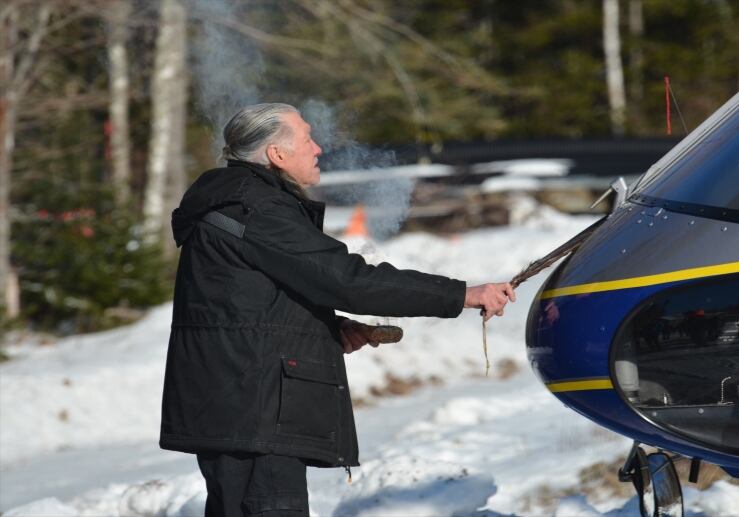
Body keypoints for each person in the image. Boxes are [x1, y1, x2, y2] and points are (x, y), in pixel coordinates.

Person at [159, 103, 515, 517]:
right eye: (307, 138)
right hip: (254, 413)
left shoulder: (240, 203)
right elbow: (347, 280)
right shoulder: (257, 208)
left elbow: (249, 301)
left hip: (242, 408)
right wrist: (460, 295)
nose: (318, 148)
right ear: (277, 154)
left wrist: (324, 326)